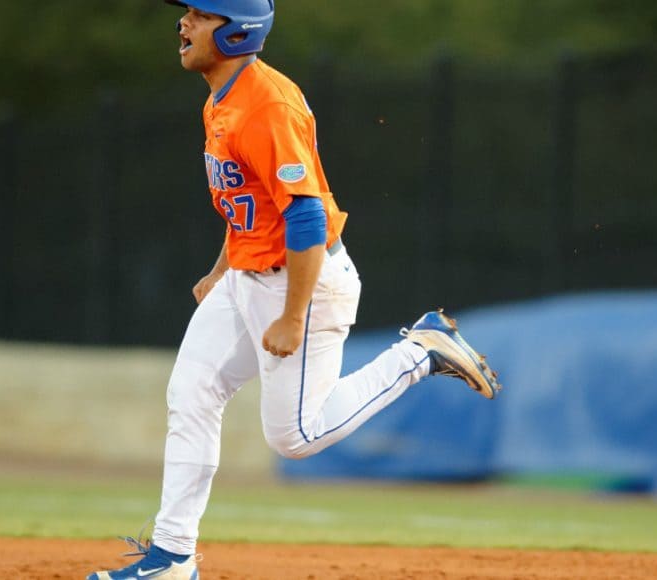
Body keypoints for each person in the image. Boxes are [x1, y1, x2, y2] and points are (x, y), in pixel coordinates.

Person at [87, 1, 501, 578]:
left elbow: (304, 217)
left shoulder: (266, 105)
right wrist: (220, 269)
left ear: (236, 31)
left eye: (201, 16)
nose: (184, 24)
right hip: (248, 275)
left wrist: (291, 315)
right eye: (188, 13)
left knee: (296, 438)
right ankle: (172, 557)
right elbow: (251, 207)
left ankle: (420, 354)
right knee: (191, 394)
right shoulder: (223, 97)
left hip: (302, 280)